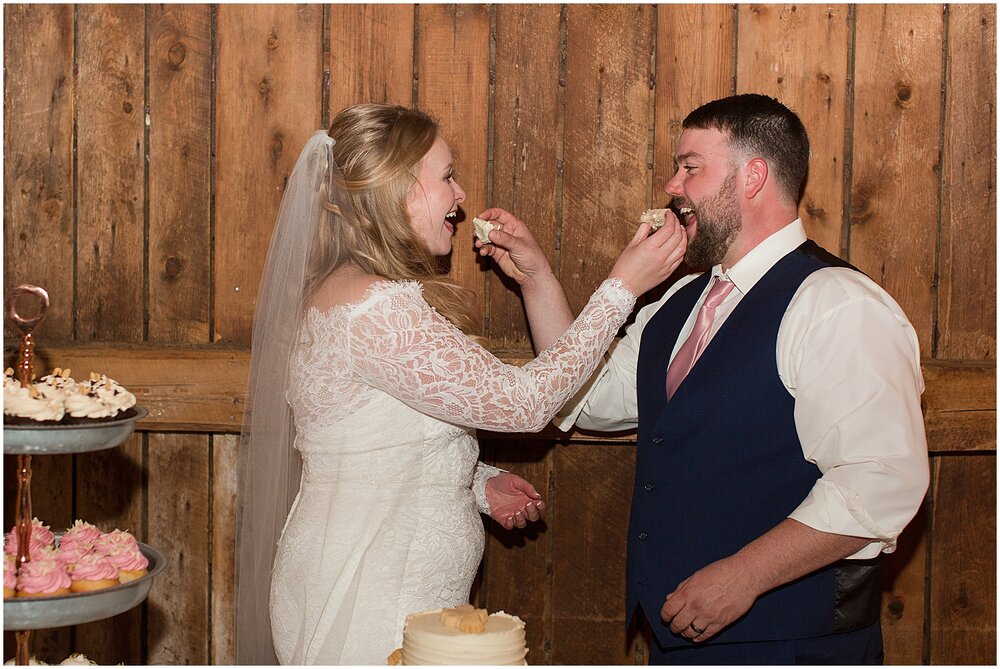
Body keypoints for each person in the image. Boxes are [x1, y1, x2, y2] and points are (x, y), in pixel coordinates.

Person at [234, 103, 687, 665]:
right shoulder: (376, 309)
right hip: (372, 597)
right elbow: (524, 406)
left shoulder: (345, 291)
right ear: (399, 191)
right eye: (446, 176)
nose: (461, 194)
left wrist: (472, 481)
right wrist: (622, 287)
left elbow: (371, 441)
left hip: (362, 572)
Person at [486, 94, 929, 664]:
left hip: (791, 645)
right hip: (679, 638)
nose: (673, 185)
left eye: (690, 166)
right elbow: (583, 395)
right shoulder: (680, 300)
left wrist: (744, 576)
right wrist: (536, 279)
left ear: (754, 176)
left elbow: (881, 481)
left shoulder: (838, 304)